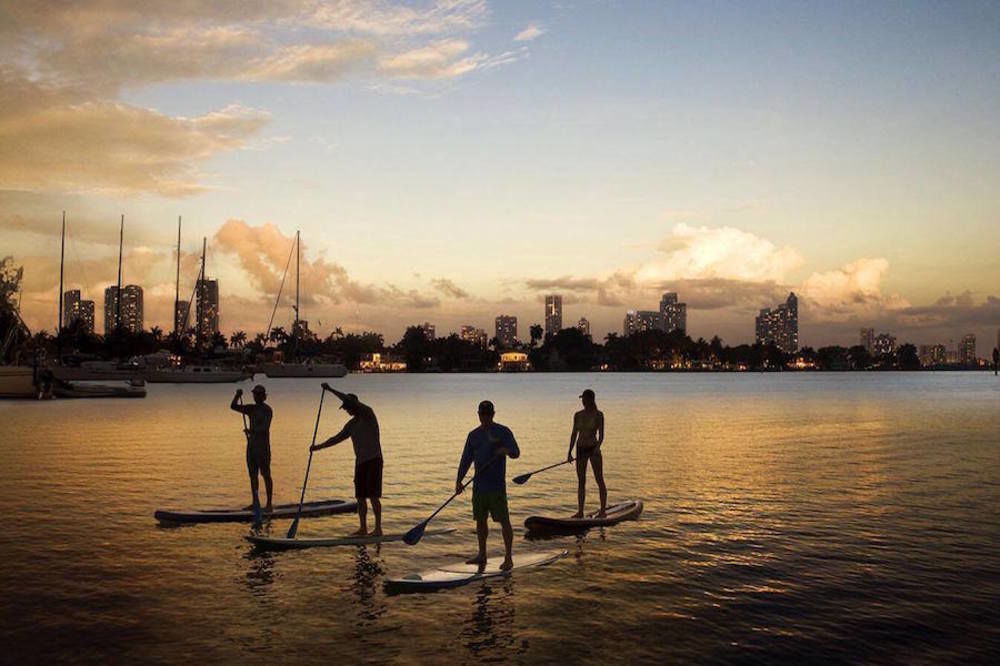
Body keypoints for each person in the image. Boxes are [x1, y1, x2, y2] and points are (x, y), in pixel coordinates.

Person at [311, 383, 383, 536]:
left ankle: (378, 529)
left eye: (347, 406)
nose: (346, 410)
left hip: (373, 459)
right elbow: (336, 438)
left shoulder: (368, 414)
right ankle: (363, 528)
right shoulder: (351, 425)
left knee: (373, 496)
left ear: (355, 405)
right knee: (360, 497)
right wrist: (318, 447)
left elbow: (347, 400)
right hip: (360, 462)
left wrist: (330, 390)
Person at [456, 400, 520, 570]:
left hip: (496, 486)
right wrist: (459, 480)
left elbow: (516, 452)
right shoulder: (473, 435)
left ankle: (508, 558)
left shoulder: (503, 432)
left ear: (493, 414)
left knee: (504, 521)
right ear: (478, 414)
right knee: (480, 521)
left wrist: (504, 450)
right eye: (482, 414)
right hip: (479, 486)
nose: (485, 417)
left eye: (488, 414)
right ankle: (482, 554)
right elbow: (466, 459)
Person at [231, 384, 273, 513]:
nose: (256, 396)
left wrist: (252, 430)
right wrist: (237, 396)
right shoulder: (251, 409)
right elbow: (233, 407)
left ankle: (269, 504)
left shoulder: (267, 410)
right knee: (253, 475)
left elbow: (265, 427)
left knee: (266, 475)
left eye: (258, 394)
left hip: (262, 447)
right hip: (251, 447)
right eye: (255, 394)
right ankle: (255, 503)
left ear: (264, 396)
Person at [567, 388, 607, 518]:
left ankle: (603, 511)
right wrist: (569, 452)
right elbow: (574, 434)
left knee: (599, 479)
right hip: (580, 449)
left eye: (584, 399)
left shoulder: (598, 415)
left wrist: (597, 447)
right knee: (581, 481)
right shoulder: (577, 415)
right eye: (582, 399)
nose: (582, 401)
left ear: (590, 400)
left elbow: (601, 435)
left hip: (593, 449)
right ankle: (580, 511)